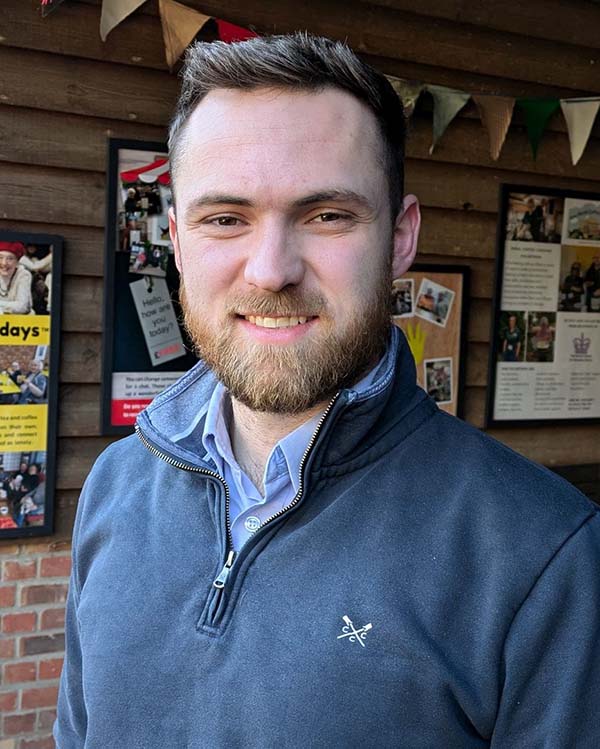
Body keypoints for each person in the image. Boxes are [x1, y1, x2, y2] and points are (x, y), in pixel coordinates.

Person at [56, 34, 600, 748]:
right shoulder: (115, 485)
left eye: (327, 216)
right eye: (225, 219)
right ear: (178, 242)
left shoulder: (545, 555)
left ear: (400, 237)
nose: (271, 270)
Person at [0, 242, 32, 314]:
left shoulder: (23, 275)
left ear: (17, 262)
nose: (4, 263)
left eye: (10, 259)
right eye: (0, 257)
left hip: (22, 319)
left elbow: (22, 307)